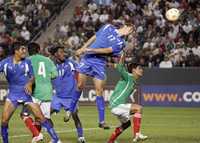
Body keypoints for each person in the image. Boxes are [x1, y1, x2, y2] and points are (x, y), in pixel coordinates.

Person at [69, 23, 134, 129]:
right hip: (87, 58)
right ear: (125, 26)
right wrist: (83, 48)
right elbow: (95, 36)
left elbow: (107, 50)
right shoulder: (108, 27)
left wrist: (89, 50)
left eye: (132, 31)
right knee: (80, 85)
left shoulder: (121, 43)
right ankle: (70, 109)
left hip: (99, 62)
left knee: (99, 90)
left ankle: (101, 121)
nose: (130, 32)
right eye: (131, 29)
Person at [0, 42, 61, 143]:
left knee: (41, 117)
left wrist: (29, 83)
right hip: (13, 95)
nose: (25, 51)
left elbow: (32, 76)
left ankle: (56, 139)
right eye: (22, 49)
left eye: (25, 49)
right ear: (16, 51)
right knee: (4, 121)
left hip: (26, 95)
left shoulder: (27, 62)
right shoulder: (5, 63)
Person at [107, 53, 147, 143]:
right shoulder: (128, 77)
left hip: (116, 106)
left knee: (127, 124)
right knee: (139, 108)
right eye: (139, 69)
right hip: (116, 104)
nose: (142, 70)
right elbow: (120, 67)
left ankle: (111, 141)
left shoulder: (133, 82)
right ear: (133, 70)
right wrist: (123, 54)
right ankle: (137, 135)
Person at [50, 46, 86, 143]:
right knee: (45, 115)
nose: (63, 54)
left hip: (70, 97)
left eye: (64, 52)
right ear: (55, 54)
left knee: (75, 116)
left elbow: (81, 69)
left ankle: (81, 137)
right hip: (57, 96)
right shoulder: (51, 66)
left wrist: (80, 58)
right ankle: (54, 137)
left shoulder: (70, 63)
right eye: (61, 52)